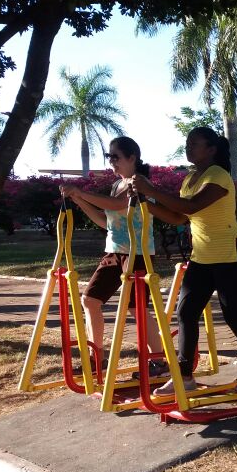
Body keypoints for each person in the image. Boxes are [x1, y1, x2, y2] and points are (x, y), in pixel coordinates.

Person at [129, 126, 237, 396]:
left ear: (211, 149)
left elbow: (193, 206)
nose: (188, 147)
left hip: (229, 255)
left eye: (194, 143)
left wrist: (152, 189)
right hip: (202, 256)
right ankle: (184, 377)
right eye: (187, 143)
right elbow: (179, 217)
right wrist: (145, 202)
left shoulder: (218, 176)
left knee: (233, 315)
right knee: (185, 313)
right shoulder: (190, 179)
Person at [59, 136, 167, 377]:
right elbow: (104, 221)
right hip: (114, 252)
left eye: (116, 157)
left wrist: (81, 192)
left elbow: (119, 205)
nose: (112, 162)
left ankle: (159, 362)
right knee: (90, 300)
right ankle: (96, 358)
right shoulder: (117, 185)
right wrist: (79, 199)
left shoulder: (139, 182)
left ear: (132, 157)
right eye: (109, 157)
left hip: (137, 253)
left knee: (136, 308)